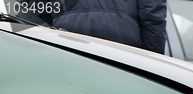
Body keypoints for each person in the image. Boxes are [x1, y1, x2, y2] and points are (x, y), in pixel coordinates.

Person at [29, 0, 166, 54]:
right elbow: (152, 16)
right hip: (123, 48)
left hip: (67, 42)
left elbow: (39, 16)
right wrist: (152, 58)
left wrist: (44, 51)